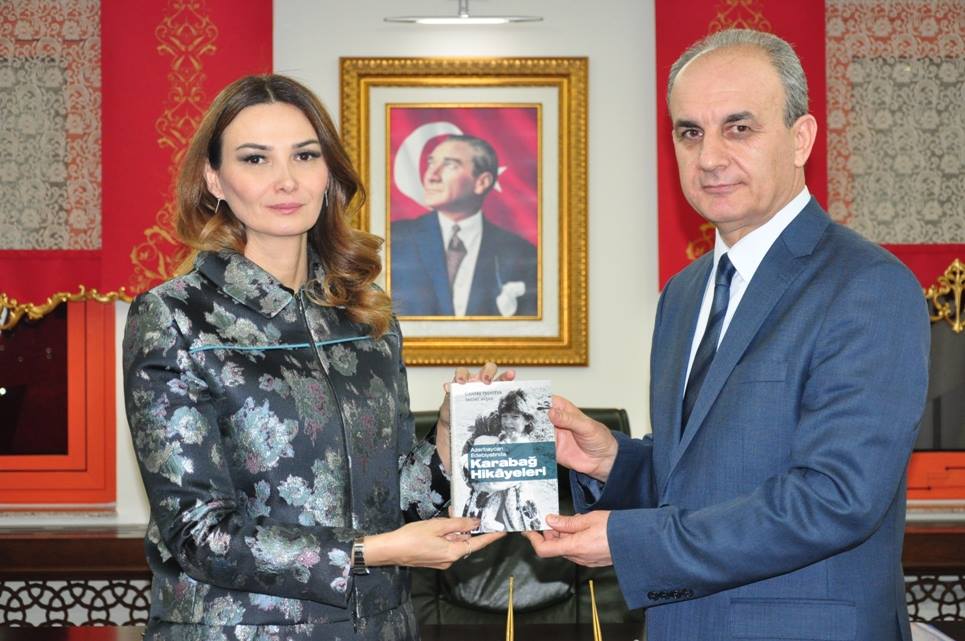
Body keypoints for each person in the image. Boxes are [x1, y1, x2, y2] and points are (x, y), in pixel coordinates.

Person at [525, 29, 930, 641]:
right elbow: (704, 474)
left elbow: (836, 497)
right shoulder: (684, 293)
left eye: (738, 128)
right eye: (690, 132)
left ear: (801, 138)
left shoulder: (868, 285)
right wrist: (613, 462)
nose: (709, 157)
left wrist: (632, 541)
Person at [122, 74, 506, 641]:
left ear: (329, 173)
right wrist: (373, 551)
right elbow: (200, 534)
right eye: (255, 159)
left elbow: (397, 500)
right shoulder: (176, 315)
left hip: (382, 627)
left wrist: (448, 437)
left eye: (305, 155)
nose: (286, 180)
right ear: (214, 179)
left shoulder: (366, 313)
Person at [389, 134, 538, 318]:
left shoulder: (521, 254)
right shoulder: (394, 241)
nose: (431, 176)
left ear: (482, 182)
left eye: (450, 165)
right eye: (431, 163)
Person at [459, 389, 548, 531]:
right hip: (492, 497)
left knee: (518, 528)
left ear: (527, 419)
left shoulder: (523, 446)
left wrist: (478, 474)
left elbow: (497, 481)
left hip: (513, 501)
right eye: (504, 416)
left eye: (515, 417)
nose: (508, 422)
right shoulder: (500, 438)